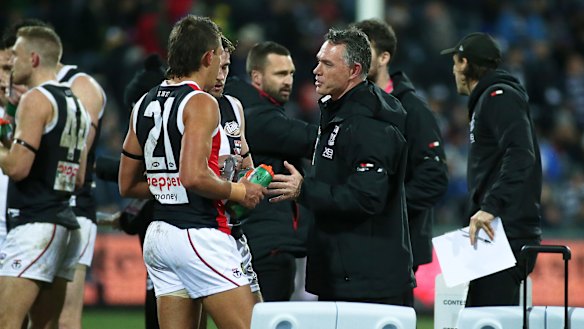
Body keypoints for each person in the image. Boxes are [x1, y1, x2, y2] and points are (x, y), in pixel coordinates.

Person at [118, 15, 265, 329]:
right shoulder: (201, 101)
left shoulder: (143, 103)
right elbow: (193, 176)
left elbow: (127, 184)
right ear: (208, 57)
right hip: (199, 232)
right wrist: (239, 191)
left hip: (159, 236)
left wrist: (168, 184)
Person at [269, 28, 415, 304]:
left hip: (368, 282)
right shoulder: (337, 114)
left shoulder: (371, 125)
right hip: (342, 273)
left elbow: (366, 197)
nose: (316, 70)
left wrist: (304, 190)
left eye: (327, 64)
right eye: (318, 61)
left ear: (353, 70)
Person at [440, 32, 542, 306]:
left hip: (502, 233)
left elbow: (521, 154)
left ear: (463, 63)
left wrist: (491, 206)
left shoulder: (498, 96)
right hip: (494, 232)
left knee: (488, 318)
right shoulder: (491, 97)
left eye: (454, 62)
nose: (453, 70)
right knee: (480, 316)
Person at [352, 19, 449, 306]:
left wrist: (387, 208)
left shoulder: (413, 110)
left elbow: (434, 178)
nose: (356, 58)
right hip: (356, 242)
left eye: (364, 50)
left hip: (397, 246)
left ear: (384, 58)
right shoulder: (347, 106)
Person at [0, 26, 90, 329]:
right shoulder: (77, 104)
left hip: (35, 224)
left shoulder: (36, 99)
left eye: (16, 56)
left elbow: (16, 168)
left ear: (34, 58)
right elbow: (78, 178)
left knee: (7, 321)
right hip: (65, 224)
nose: (12, 63)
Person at [224, 41, 318, 301]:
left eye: (290, 73)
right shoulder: (258, 118)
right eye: (280, 74)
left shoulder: (241, 110)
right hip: (268, 244)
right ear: (256, 76)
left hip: (254, 239)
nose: (288, 80)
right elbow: (311, 139)